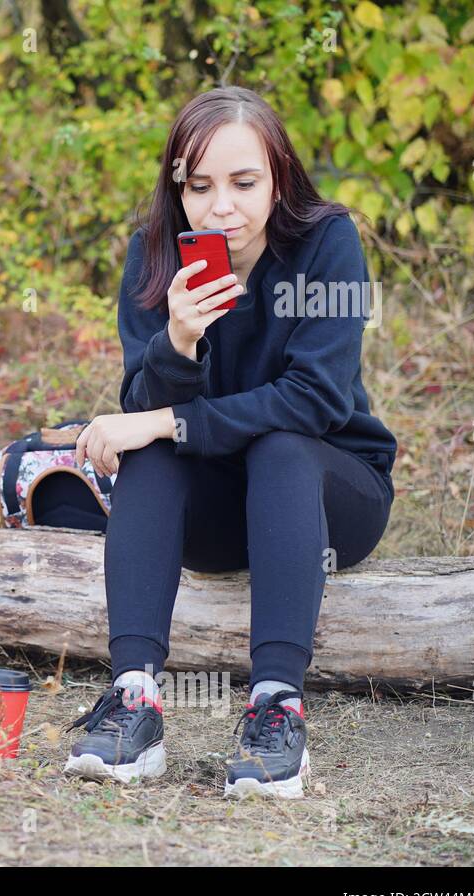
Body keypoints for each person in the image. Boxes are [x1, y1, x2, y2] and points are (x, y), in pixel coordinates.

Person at [64, 86, 397, 798]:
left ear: (278, 177)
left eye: (245, 183)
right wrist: (179, 340)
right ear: (176, 189)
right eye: (200, 186)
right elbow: (142, 412)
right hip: (219, 513)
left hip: (331, 495)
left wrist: (164, 422)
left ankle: (276, 708)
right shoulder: (153, 258)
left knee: (276, 445)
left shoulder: (326, 245)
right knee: (152, 449)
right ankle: (133, 704)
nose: (223, 207)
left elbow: (314, 400)